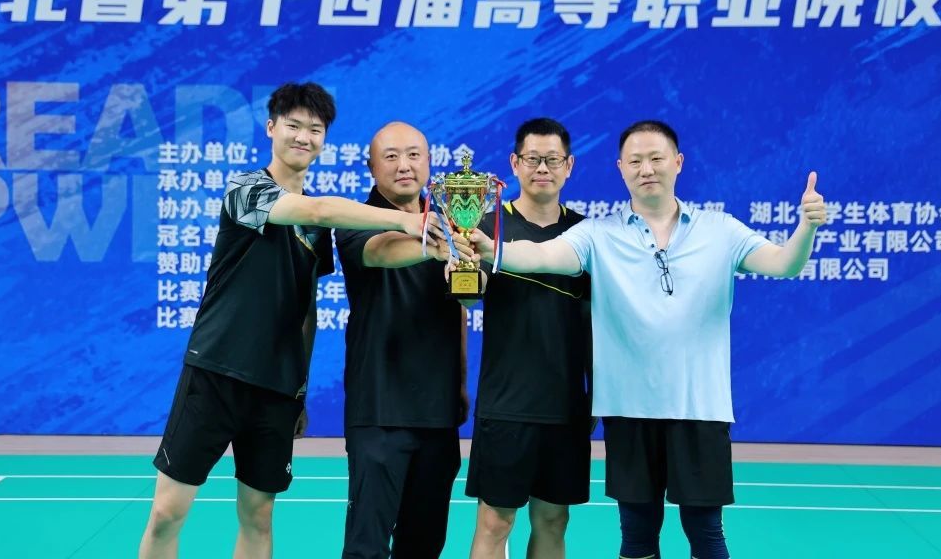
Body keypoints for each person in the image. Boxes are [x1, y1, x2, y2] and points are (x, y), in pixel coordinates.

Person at [469, 120, 827, 559]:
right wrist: (494, 250)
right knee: (637, 538)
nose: (647, 169)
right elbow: (542, 254)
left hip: (700, 408)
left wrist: (807, 227)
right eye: (635, 160)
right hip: (628, 411)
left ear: (678, 162)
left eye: (656, 158)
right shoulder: (598, 234)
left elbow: (784, 263)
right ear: (620, 168)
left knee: (706, 534)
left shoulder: (721, 230)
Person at [139, 84, 442, 559]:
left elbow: (307, 310)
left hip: (277, 387)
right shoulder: (245, 189)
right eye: (294, 126)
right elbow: (315, 208)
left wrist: (299, 388)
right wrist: (408, 222)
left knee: (258, 517)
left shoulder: (318, 230)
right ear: (271, 128)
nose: (304, 137)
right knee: (167, 512)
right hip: (216, 371)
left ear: (324, 140)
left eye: (315, 129)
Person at [336, 121, 472, 559]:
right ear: (371, 167)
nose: (404, 165)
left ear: (429, 162)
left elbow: (460, 307)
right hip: (379, 409)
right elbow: (381, 251)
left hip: (438, 412)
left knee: (424, 545)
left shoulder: (454, 222)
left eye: (414, 154)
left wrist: (460, 384)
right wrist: (434, 246)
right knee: (367, 547)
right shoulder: (355, 221)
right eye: (391, 156)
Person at [466, 118, 593, 559]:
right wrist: (462, 273)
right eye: (533, 159)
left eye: (552, 159)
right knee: (495, 522)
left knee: (554, 521)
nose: (542, 168)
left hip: (566, 405)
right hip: (507, 404)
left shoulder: (587, 235)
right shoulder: (484, 227)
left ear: (569, 166)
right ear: (514, 163)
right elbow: (469, 296)